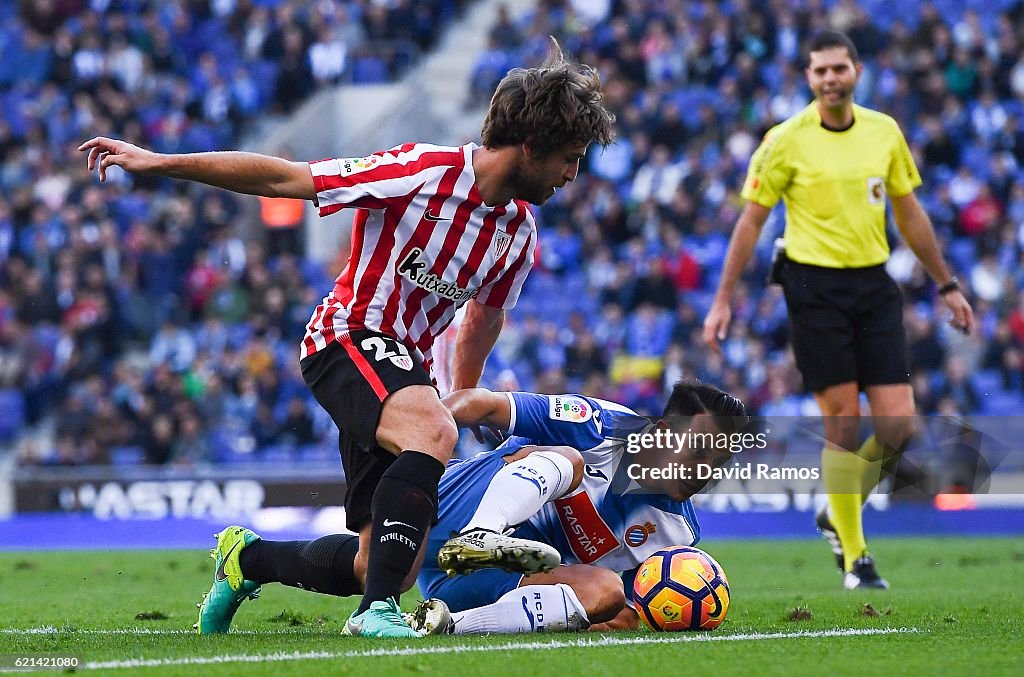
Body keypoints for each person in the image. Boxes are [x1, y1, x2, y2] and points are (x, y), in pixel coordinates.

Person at [82, 38, 616, 638]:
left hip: (403, 370)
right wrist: (159, 162)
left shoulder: (517, 233)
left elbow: (482, 322)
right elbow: (287, 179)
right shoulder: (421, 171)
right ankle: (375, 618)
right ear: (530, 145)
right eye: (570, 157)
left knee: (382, 563)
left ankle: (246, 561)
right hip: (346, 337)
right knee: (413, 495)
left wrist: (454, 405)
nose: (574, 174)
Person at [701, 30, 975, 590]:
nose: (830, 79)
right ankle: (856, 558)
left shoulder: (884, 132)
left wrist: (947, 283)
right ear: (808, 77)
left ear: (856, 71)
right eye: (820, 70)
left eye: (839, 69)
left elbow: (910, 212)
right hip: (813, 288)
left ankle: (836, 505)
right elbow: (750, 221)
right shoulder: (784, 141)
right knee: (844, 422)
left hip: (874, 285)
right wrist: (724, 297)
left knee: (900, 425)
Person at [196, 382, 746, 636]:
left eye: (720, 462)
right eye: (701, 452)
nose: (707, 471)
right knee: (568, 462)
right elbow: (481, 404)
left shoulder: (675, 536)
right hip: (461, 498)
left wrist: (614, 615)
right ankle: (484, 532)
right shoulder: (602, 424)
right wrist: (424, 445)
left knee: (605, 590)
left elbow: (619, 612)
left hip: (492, 583)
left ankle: (442, 625)